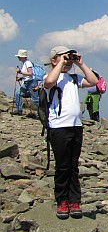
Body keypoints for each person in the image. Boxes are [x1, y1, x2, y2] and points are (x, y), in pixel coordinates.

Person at [44, 46, 98, 219]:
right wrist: (60, 63)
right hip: (58, 127)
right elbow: (48, 83)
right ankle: (62, 201)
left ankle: (74, 201)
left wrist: (81, 64)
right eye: (62, 57)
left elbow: (94, 81)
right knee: (62, 166)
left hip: (76, 126)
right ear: (54, 60)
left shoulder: (74, 78)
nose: (67, 61)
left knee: (73, 166)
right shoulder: (51, 77)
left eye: (69, 58)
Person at [13, 49, 39, 115]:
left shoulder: (28, 63)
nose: (18, 57)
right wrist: (21, 78)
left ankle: (45, 111)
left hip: (31, 82)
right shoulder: (25, 63)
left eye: (19, 56)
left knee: (35, 99)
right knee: (18, 93)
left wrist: (20, 72)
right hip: (28, 82)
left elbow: (30, 73)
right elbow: (28, 75)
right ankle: (19, 110)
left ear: (22, 57)